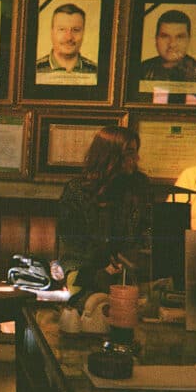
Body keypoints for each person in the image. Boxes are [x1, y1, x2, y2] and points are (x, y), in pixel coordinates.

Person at [56, 126, 151, 309]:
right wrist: (105, 264)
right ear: (111, 156)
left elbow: (147, 228)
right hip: (85, 270)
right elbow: (72, 240)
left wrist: (134, 257)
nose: (136, 158)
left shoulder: (139, 186)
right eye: (130, 152)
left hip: (128, 272)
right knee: (94, 309)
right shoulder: (77, 190)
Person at [35, 3, 98, 83]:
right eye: (62, 29)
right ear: (52, 32)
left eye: (76, 30)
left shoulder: (96, 72)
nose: (69, 37)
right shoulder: (35, 70)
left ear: (83, 32)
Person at [139, 9, 196, 83]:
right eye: (165, 36)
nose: (172, 44)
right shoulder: (141, 70)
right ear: (156, 39)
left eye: (179, 37)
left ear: (188, 40)